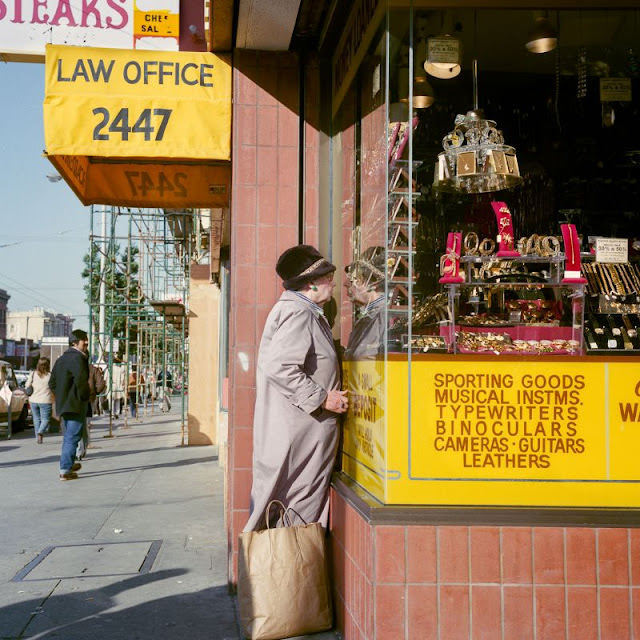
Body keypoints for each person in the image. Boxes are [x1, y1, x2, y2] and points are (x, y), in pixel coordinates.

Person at [244, 245, 349, 532]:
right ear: (310, 283)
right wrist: (323, 398)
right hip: (301, 433)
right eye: (327, 277)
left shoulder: (300, 310)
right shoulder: (299, 312)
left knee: (287, 507)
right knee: (297, 510)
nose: (333, 282)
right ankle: (289, 574)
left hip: (298, 431)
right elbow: (280, 366)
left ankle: (281, 572)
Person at [49, 329, 90, 481]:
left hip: (64, 405)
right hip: (75, 404)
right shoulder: (78, 358)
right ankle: (65, 469)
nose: (86, 342)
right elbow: (81, 382)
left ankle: (69, 463)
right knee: (72, 437)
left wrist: (62, 395)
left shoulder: (60, 360)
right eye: (83, 340)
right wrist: (84, 396)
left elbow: (52, 383)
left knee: (69, 436)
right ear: (75, 342)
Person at [344, 246, 387, 359]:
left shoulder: (383, 315)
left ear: (374, 284)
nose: (347, 283)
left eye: (356, 280)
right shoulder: (372, 314)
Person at [26, 357, 55, 444]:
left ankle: (38, 438)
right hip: (45, 400)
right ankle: (40, 432)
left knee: (36, 419)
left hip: (33, 400)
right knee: (45, 419)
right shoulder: (50, 376)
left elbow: (27, 385)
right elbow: (53, 387)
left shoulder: (33, 374)